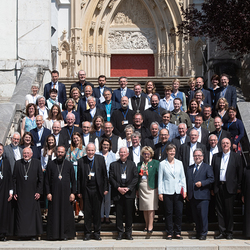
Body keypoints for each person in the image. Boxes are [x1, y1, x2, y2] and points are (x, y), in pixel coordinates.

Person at [212, 138, 243, 239]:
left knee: (229, 211)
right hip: (218, 186)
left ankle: (229, 232)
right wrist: (213, 187)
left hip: (230, 187)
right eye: (223, 143)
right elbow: (213, 173)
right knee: (219, 210)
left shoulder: (236, 156)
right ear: (220, 145)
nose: (225, 145)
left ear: (230, 145)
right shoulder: (216, 156)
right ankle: (222, 231)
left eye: (227, 143)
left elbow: (240, 173)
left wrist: (238, 187)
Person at [77, 143, 109, 241]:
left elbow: (104, 175)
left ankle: (96, 233)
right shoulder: (81, 161)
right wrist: (79, 191)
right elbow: (79, 178)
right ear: (86, 151)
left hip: (97, 189)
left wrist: (106, 188)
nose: (90, 152)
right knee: (87, 212)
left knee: (96, 212)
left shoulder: (100, 159)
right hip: (86, 189)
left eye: (92, 150)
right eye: (89, 150)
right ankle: (87, 233)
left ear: (95, 151)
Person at [45, 146, 76, 240]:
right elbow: (46, 181)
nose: (60, 154)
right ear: (56, 152)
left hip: (66, 194)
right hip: (54, 194)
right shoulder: (50, 164)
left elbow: (73, 181)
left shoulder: (69, 165)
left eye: (62, 152)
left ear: (65, 153)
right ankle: (54, 235)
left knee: (66, 214)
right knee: (54, 214)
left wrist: (73, 193)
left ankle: (65, 234)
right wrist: (48, 193)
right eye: (58, 152)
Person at [13, 147, 43, 240]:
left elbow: (41, 179)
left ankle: (32, 234)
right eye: (24, 153)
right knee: (21, 215)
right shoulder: (18, 163)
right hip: (21, 194)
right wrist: (14, 191)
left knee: (32, 215)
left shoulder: (37, 163)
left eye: (27, 153)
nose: (26, 155)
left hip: (33, 193)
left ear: (32, 154)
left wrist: (38, 191)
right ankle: (21, 234)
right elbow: (14, 179)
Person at [109, 147, 138, 240]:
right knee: (119, 214)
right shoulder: (113, 165)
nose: (122, 154)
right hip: (118, 193)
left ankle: (128, 232)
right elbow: (111, 178)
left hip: (129, 193)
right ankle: (120, 232)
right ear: (119, 153)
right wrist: (118, 188)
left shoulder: (132, 164)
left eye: (124, 152)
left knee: (129, 214)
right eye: (121, 152)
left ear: (128, 154)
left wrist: (128, 188)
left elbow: (135, 178)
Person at [158, 144, 186, 240]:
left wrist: (184, 190)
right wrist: (160, 192)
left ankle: (177, 232)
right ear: (167, 152)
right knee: (168, 213)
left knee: (179, 212)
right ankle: (169, 232)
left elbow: (183, 177)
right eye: (170, 151)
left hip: (178, 191)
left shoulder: (179, 163)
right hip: (167, 191)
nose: (172, 152)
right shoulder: (162, 164)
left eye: (173, 151)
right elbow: (160, 179)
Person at [186, 148, 214, 240]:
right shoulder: (189, 168)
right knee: (196, 217)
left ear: (202, 157)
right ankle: (198, 233)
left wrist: (202, 183)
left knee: (203, 216)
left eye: (199, 155)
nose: (197, 157)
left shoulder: (207, 167)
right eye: (195, 156)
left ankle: (203, 233)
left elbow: (211, 179)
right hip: (192, 196)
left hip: (203, 196)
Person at [137, 146, 159, 233]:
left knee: (151, 207)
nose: (146, 155)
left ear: (151, 154)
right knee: (144, 208)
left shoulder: (155, 163)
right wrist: (137, 189)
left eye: (148, 153)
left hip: (152, 187)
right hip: (142, 187)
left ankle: (150, 226)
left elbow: (158, 176)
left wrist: (158, 188)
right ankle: (146, 224)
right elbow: (137, 177)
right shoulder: (139, 164)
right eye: (145, 153)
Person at [96, 138, 116, 224]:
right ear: (101, 145)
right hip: (99, 180)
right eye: (104, 144)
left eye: (107, 145)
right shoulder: (97, 154)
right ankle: (100, 216)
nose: (105, 146)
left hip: (109, 181)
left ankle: (107, 216)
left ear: (110, 146)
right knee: (100, 199)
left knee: (107, 200)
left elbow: (114, 168)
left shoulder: (113, 155)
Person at [0, 143, 13, 241]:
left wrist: (11, 191)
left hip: (4, 190)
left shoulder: (6, 162)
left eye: (0, 149)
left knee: (3, 212)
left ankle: (2, 233)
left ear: (3, 151)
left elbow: (10, 177)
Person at [242, 165, 250, 238]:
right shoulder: (246, 169)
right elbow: (243, 183)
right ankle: (248, 233)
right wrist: (243, 195)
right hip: (248, 194)